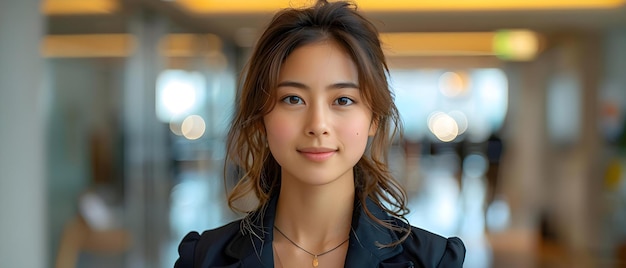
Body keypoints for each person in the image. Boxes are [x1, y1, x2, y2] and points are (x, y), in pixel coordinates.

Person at [175, 0, 466, 267]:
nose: (318, 124)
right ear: (261, 116)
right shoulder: (203, 258)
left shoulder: (431, 259)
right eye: (293, 99)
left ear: (374, 118)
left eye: (342, 100)